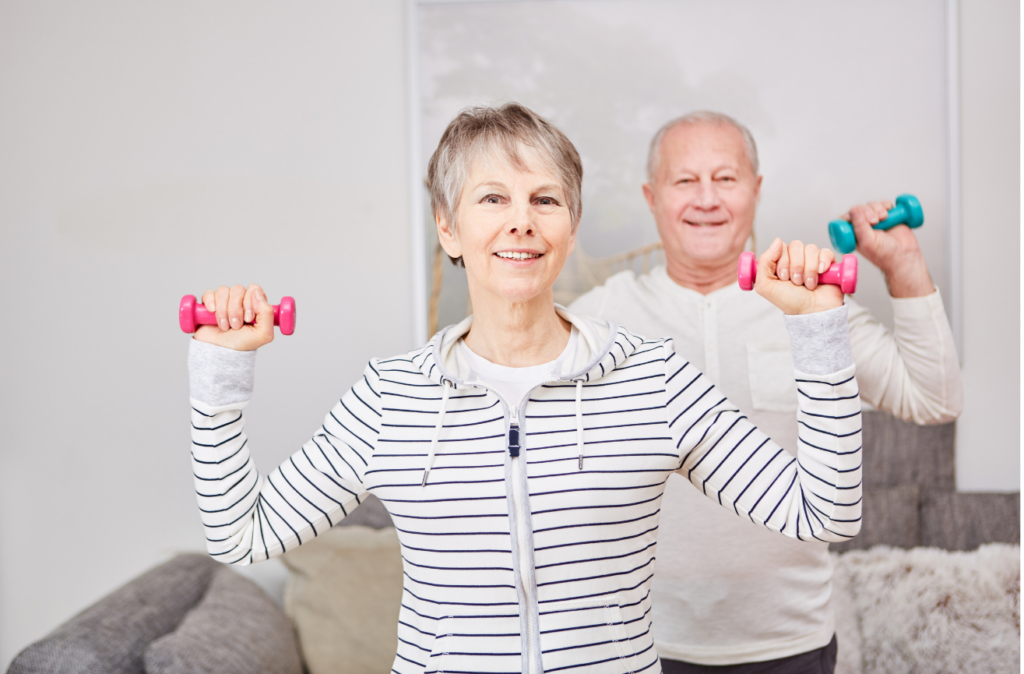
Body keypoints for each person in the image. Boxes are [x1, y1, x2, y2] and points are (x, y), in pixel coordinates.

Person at [187, 103, 864, 674]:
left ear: (569, 229)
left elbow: (825, 514)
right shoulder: (389, 397)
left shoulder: (654, 380)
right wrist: (219, 374)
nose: (521, 221)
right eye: (491, 199)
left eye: (544, 200)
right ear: (448, 229)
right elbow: (241, 535)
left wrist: (818, 329)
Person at [570, 111, 963, 674]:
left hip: (790, 645)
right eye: (685, 181)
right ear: (651, 196)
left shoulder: (811, 307)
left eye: (726, 179)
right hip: (637, 648)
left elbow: (935, 399)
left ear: (755, 191)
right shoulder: (600, 319)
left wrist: (903, 264)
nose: (706, 199)